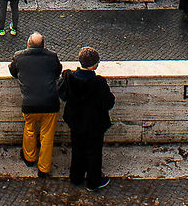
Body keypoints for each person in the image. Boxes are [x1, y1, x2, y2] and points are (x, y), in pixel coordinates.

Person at [8, 31, 63, 178]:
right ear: (44, 45)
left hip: (30, 103)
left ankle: (29, 158)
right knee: (47, 136)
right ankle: (44, 169)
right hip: (50, 102)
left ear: (27, 45)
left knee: (29, 129)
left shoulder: (19, 57)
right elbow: (58, 71)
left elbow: (13, 71)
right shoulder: (52, 56)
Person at [60, 47, 114, 190]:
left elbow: (63, 95)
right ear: (95, 64)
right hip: (94, 124)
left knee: (77, 149)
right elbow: (108, 103)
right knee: (94, 152)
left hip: (75, 121)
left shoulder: (68, 77)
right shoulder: (99, 83)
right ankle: (93, 181)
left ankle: (76, 177)